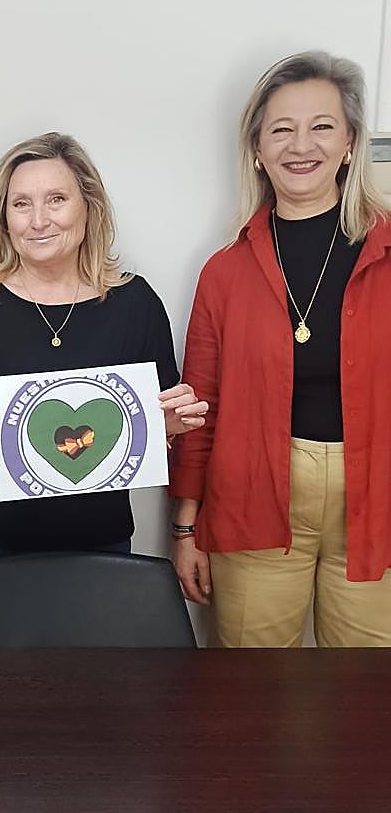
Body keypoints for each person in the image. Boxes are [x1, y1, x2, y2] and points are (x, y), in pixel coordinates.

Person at [0, 132, 208, 624]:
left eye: (56, 199)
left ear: (88, 206)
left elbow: (148, 437)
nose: (38, 220)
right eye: (21, 204)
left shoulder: (135, 303)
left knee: (92, 690)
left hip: (99, 543)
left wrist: (170, 427)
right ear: (3, 218)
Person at [170, 52, 391, 647]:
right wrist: (186, 528)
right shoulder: (224, 272)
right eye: (281, 129)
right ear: (258, 150)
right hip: (253, 497)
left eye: (322, 126)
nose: (302, 145)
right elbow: (200, 408)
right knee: (254, 695)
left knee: (367, 695)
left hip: (380, 498)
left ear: (349, 144)